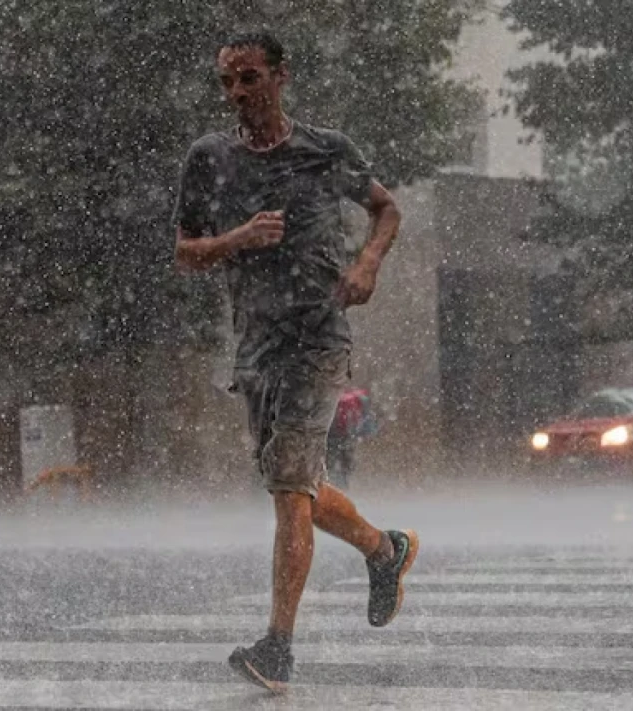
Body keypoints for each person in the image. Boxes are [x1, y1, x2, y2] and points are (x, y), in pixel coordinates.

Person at [171, 31, 418, 693]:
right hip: (254, 346)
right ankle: (384, 549)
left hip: (317, 339)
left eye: (249, 78)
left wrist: (367, 262)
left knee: (288, 491)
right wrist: (238, 237)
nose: (237, 94)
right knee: (295, 485)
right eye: (227, 82)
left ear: (281, 77)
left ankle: (277, 646)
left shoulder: (324, 151)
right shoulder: (210, 158)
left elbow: (387, 209)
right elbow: (187, 251)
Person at [327, 386, 375, 489]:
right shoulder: (359, 400)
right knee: (347, 463)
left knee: (330, 463)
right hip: (349, 436)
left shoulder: (336, 399)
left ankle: (333, 486)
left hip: (332, 435)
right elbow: (366, 421)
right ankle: (343, 485)